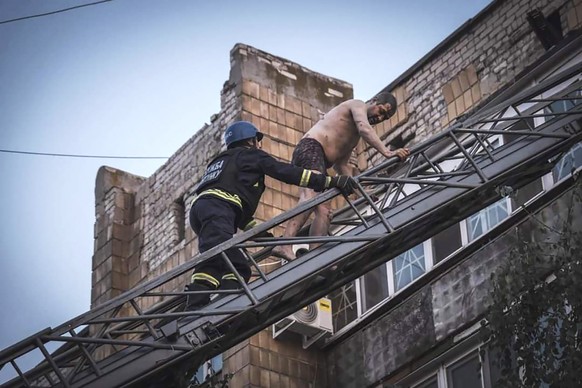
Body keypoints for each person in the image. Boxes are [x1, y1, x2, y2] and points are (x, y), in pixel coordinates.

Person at [185, 121, 356, 310]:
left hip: (202, 211)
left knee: (213, 260)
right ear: (251, 141)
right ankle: (223, 308)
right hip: (218, 209)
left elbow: (241, 217)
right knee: (238, 266)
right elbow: (286, 172)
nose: (259, 145)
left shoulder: (223, 162)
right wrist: (329, 181)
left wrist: (265, 238)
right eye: (258, 141)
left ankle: (197, 305)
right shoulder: (251, 155)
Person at [271, 91, 410, 261]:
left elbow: (340, 165)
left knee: (325, 211)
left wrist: (362, 193)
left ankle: (315, 254)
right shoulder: (357, 104)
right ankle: (284, 245)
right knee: (310, 197)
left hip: (319, 158)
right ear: (373, 100)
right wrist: (387, 152)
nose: (380, 118)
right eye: (381, 111)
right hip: (311, 148)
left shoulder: (353, 137)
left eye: (385, 118)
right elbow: (364, 127)